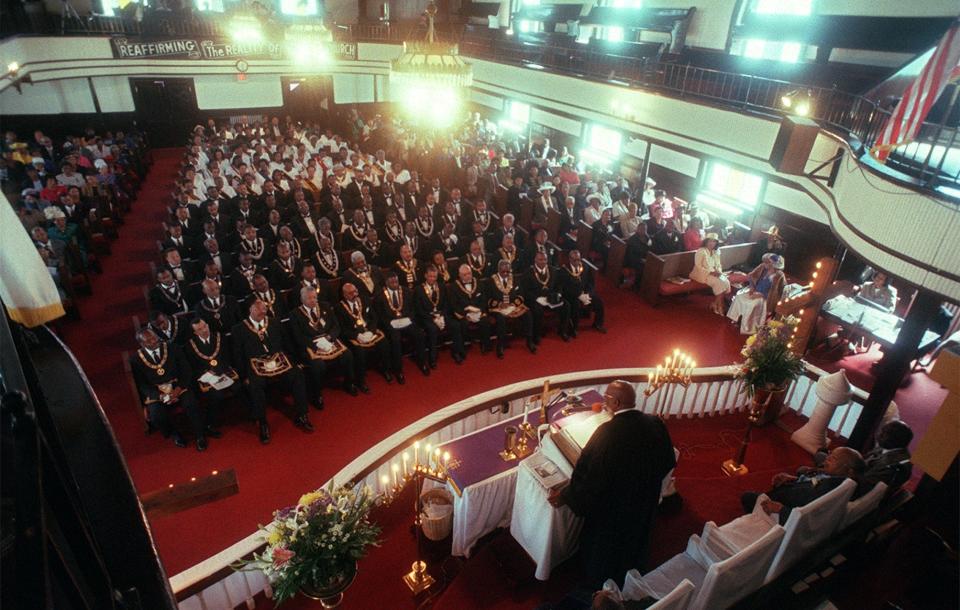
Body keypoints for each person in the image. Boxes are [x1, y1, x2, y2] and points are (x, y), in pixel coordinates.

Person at [548, 381, 675, 588]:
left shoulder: (607, 433)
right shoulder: (655, 423)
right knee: (636, 544)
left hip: (613, 515)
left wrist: (565, 496)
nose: (603, 402)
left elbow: (590, 479)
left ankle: (601, 589)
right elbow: (668, 460)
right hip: (644, 504)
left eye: (606, 398)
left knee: (605, 559)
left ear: (616, 403)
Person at [232, 300, 313, 444]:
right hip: (255, 364)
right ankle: (263, 423)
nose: (263, 312)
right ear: (250, 310)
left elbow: (286, 343)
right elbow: (238, 355)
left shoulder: (274, 322)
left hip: (278, 360)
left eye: (264, 309)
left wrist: (294, 361)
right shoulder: (239, 329)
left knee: (297, 374)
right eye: (258, 310)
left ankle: (302, 414)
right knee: (255, 385)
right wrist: (244, 376)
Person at [741, 446, 865, 525]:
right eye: (830, 455)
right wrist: (794, 479)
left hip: (783, 511)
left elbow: (812, 517)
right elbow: (813, 482)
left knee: (748, 497)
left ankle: (757, 521)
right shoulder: (836, 480)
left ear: (850, 471)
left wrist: (781, 509)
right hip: (789, 494)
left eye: (834, 459)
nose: (827, 459)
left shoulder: (831, 490)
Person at [130, 328, 204, 450]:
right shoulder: (135, 360)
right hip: (157, 392)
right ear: (142, 344)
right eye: (149, 341)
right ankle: (174, 434)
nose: (154, 341)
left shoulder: (173, 348)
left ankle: (200, 434)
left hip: (178, 386)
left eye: (154, 337)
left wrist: (177, 390)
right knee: (156, 416)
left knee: (191, 404)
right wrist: (160, 396)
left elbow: (186, 371)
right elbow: (142, 385)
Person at [289, 286, 358, 400]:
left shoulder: (325, 306)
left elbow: (336, 326)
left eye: (314, 297)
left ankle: (349, 383)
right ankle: (317, 394)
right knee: (318, 365)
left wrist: (330, 337)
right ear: (302, 299)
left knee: (348, 355)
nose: (313, 300)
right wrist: (315, 345)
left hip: (329, 339)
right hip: (311, 344)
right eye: (309, 298)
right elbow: (298, 336)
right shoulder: (295, 314)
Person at [813, 420, 913, 492]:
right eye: (881, 431)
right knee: (822, 453)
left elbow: (862, 486)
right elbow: (862, 460)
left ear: (896, 439)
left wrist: (836, 469)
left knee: (818, 458)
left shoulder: (895, 467)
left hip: (852, 484)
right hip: (856, 471)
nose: (879, 435)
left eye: (884, 433)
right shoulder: (890, 447)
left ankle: (821, 471)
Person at [182, 318, 234, 449]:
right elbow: (192, 367)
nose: (204, 330)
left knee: (239, 387)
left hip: (222, 372)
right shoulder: (190, 345)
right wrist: (208, 374)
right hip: (204, 378)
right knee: (215, 396)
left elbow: (227, 356)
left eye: (205, 326)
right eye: (199, 329)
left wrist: (219, 371)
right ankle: (210, 424)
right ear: (195, 332)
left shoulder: (219, 337)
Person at [374, 272, 429, 380]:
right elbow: (379, 315)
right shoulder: (380, 296)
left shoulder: (407, 292)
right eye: (392, 282)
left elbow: (413, 309)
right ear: (386, 283)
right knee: (395, 340)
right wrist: (390, 323)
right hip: (391, 324)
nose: (395, 284)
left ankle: (422, 362)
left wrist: (408, 318)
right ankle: (398, 369)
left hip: (406, 321)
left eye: (396, 282)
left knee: (419, 334)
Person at [414, 264, 466, 366]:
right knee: (432, 329)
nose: (432, 279)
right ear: (425, 276)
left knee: (455, 325)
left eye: (435, 276)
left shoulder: (442, 286)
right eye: (430, 276)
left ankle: (456, 352)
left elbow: (447, 303)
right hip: (427, 317)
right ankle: (432, 357)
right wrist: (432, 318)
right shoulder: (419, 290)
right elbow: (418, 310)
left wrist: (441, 315)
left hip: (442, 315)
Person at [487, 259, 536, 358]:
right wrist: (499, 304)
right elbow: (487, 298)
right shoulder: (491, 281)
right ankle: (500, 345)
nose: (505, 273)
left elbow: (521, 295)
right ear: (498, 270)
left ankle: (529, 340)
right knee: (500, 318)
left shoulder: (515, 279)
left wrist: (513, 304)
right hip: (498, 308)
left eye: (507, 271)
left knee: (527, 313)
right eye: (503, 271)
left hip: (513, 306)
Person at [726, 253, 786, 334]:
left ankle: (747, 325)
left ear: (774, 265)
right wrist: (752, 287)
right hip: (754, 290)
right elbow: (752, 276)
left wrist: (762, 295)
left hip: (766, 297)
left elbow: (779, 292)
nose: (765, 264)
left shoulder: (779, 275)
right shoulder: (762, 267)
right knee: (739, 296)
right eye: (765, 262)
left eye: (768, 263)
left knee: (751, 304)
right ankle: (737, 317)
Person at [449, 264, 493, 354]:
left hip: (478, 311)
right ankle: (465, 345)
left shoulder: (479, 283)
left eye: (469, 273)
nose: (468, 276)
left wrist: (481, 311)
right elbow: (454, 305)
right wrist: (466, 314)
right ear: (460, 275)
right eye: (464, 274)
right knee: (463, 324)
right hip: (464, 313)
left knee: (485, 321)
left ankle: (486, 345)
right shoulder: (454, 286)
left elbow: (484, 300)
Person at [560, 250, 606, 335]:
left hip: (585, 293)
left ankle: (598, 323)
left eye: (578, 259)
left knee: (599, 302)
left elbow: (590, 282)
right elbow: (565, 287)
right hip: (572, 295)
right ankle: (574, 327)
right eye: (574, 260)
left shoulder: (585, 266)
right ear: (569, 259)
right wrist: (578, 295)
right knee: (576, 304)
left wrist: (588, 293)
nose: (577, 262)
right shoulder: (564, 270)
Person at [689, 232, 730, 315]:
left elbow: (718, 264)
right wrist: (711, 272)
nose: (712, 243)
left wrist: (719, 272)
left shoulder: (716, 252)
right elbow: (698, 266)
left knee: (725, 281)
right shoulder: (701, 251)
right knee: (719, 283)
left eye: (714, 241)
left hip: (714, 273)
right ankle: (720, 305)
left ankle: (715, 304)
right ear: (706, 242)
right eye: (710, 241)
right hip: (702, 274)